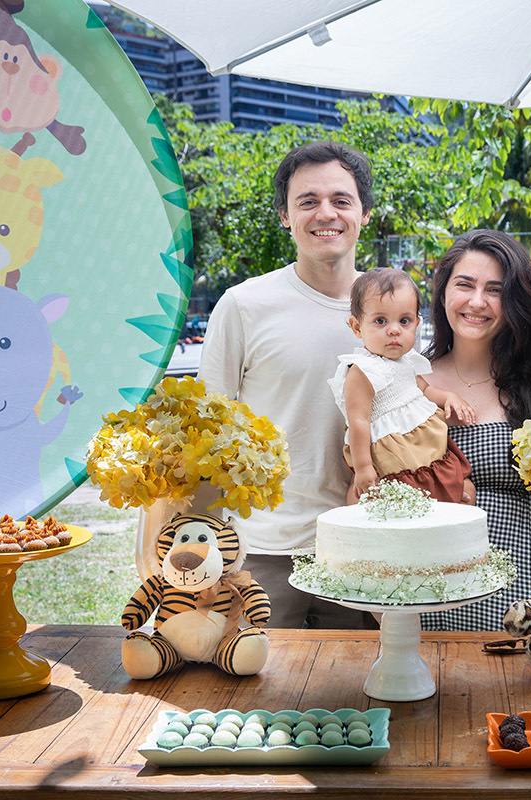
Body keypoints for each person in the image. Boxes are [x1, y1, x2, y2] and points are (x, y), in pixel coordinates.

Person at [196, 140, 376, 630]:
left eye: (341, 200)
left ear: (364, 214)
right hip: (261, 550)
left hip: (357, 546)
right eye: (308, 201)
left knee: (353, 698)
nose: (326, 214)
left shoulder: (388, 316)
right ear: (284, 216)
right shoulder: (244, 304)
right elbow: (205, 431)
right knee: (252, 697)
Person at [419, 230, 531, 632]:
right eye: (465, 285)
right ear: (442, 293)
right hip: (430, 595)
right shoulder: (408, 380)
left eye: (496, 290)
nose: (477, 302)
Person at [328, 268, 476, 505]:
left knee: (462, 488)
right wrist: (364, 467)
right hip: (393, 456)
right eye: (380, 321)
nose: (394, 329)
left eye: (404, 321)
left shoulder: (406, 361)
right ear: (357, 327)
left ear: (416, 324)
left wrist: (448, 397)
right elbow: (358, 422)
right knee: (371, 500)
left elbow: (424, 390)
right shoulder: (362, 371)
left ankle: (450, 500)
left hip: (425, 449)